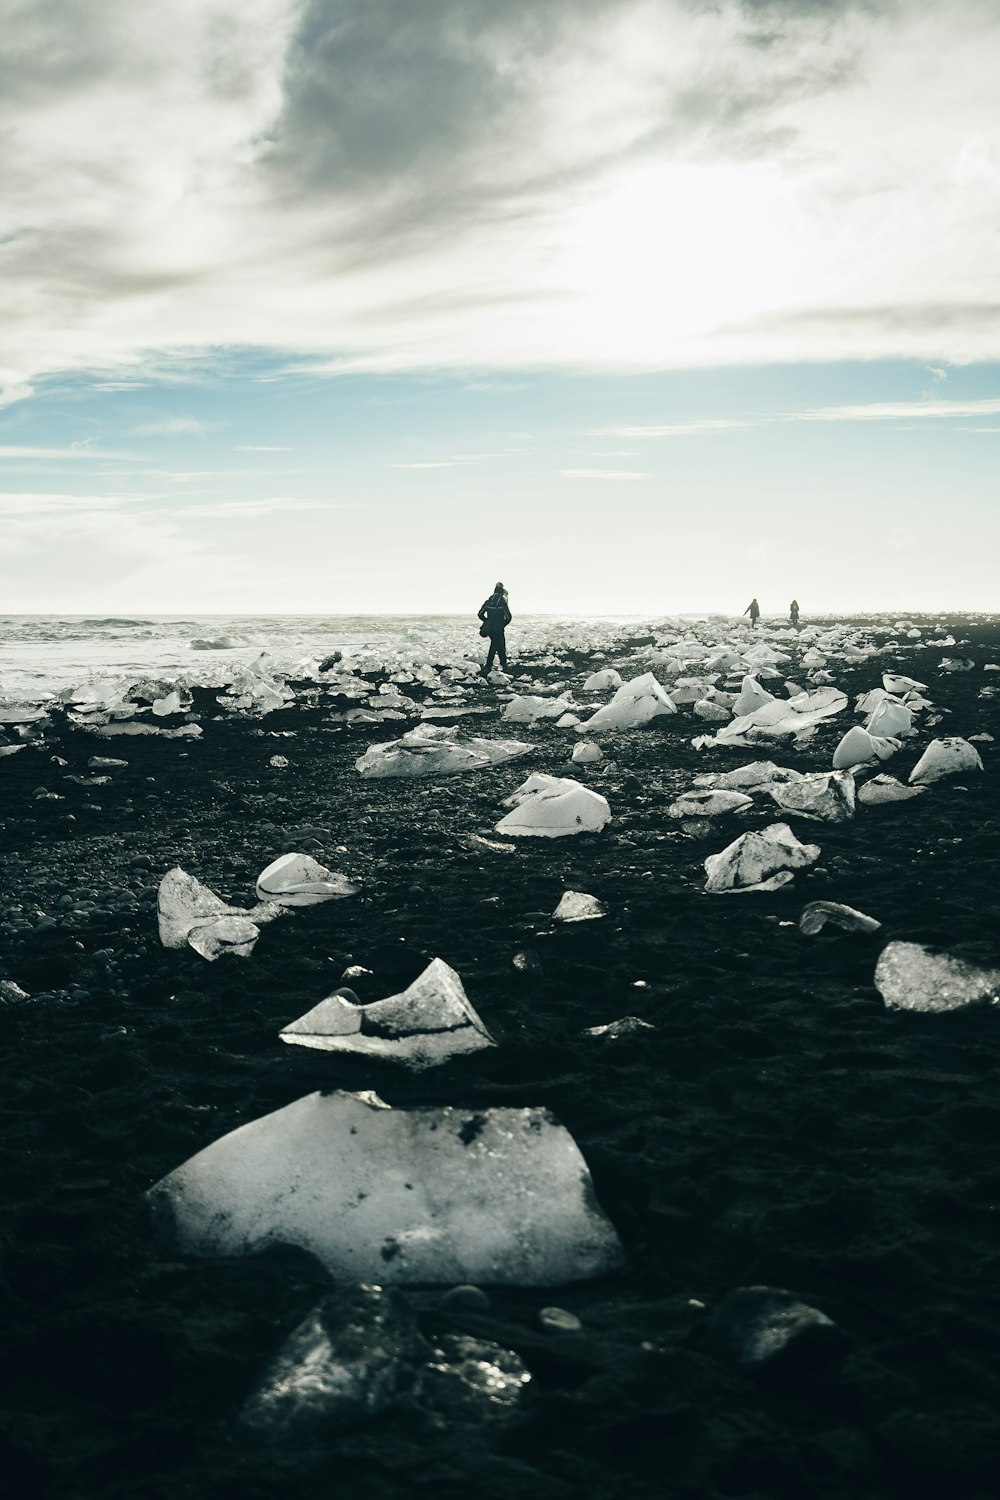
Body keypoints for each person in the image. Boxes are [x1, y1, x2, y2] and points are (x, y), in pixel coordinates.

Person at [478, 581, 512, 675]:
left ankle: (497, 664)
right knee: (498, 645)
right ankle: (494, 665)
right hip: (499, 628)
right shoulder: (502, 601)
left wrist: (486, 621)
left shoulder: (489, 601)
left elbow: (480, 614)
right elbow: (509, 617)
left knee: (497, 644)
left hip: (490, 629)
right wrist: (502, 624)